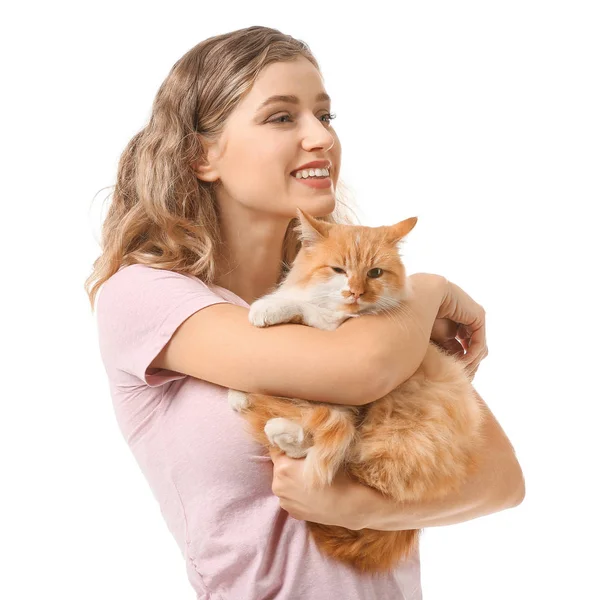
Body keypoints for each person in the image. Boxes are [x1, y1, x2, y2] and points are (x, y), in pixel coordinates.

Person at [85, 25, 524, 600]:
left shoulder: (359, 294)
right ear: (202, 155)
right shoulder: (145, 297)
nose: (320, 136)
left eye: (326, 115)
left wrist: (358, 507)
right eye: (281, 117)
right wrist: (430, 290)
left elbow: (501, 480)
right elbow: (359, 370)